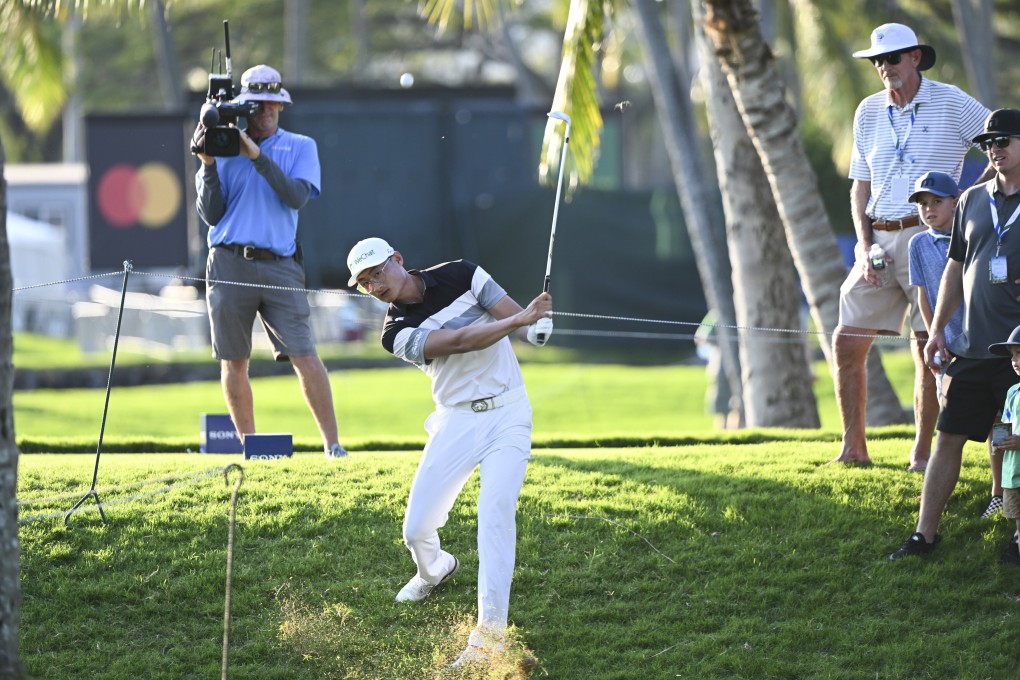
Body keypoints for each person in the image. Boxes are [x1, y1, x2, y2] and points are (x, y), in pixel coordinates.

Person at [345, 237, 551, 668]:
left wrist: (534, 325)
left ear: (397, 260)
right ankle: (434, 570)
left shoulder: (462, 272)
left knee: (495, 514)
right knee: (415, 529)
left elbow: (513, 316)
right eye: (364, 283)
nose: (374, 285)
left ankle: (488, 639)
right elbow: (459, 342)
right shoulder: (394, 332)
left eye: (377, 272)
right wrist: (523, 321)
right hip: (456, 421)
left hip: (509, 413)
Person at [831, 22, 992, 469]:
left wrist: (966, 199)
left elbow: (1002, 145)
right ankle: (853, 450)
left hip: (934, 239)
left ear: (916, 57)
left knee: (927, 346)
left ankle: (922, 455)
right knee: (847, 341)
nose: (885, 68)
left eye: (893, 58)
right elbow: (859, 187)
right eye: (878, 61)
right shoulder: (867, 110)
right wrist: (864, 245)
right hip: (878, 239)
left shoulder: (952, 101)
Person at [192, 64, 347, 459]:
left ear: (281, 107)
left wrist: (257, 155)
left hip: (280, 263)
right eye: (258, 105)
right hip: (229, 262)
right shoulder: (222, 149)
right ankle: (250, 449)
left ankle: (333, 446)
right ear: (243, 107)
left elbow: (295, 196)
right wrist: (209, 164)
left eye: (273, 106)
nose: (265, 113)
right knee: (234, 359)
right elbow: (212, 213)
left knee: (305, 354)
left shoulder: (300, 146)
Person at [889, 108, 1020, 560]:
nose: (995, 149)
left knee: (1014, 440)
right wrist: (937, 330)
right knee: (947, 438)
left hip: (1019, 353)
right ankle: (924, 536)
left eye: (1003, 140)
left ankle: (1018, 537)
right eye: (988, 144)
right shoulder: (971, 199)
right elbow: (955, 267)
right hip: (971, 348)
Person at [908, 171, 1003, 513]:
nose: (929, 209)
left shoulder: (980, 230)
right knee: (951, 425)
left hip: (986, 340)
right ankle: (936, 508)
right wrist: (934, 331)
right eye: (923, 204)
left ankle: (998, 493)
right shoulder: (917, 244)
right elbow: (924, 296)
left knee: (998, 421)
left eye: (936, 202)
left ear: (956, 202)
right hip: (947, 344)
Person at [988, 325, 1020, 565]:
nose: (1015, 361)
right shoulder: (1012, 392)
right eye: (1013, 355)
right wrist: (998, 443)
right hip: (1013, 472)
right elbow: (1006, 421)